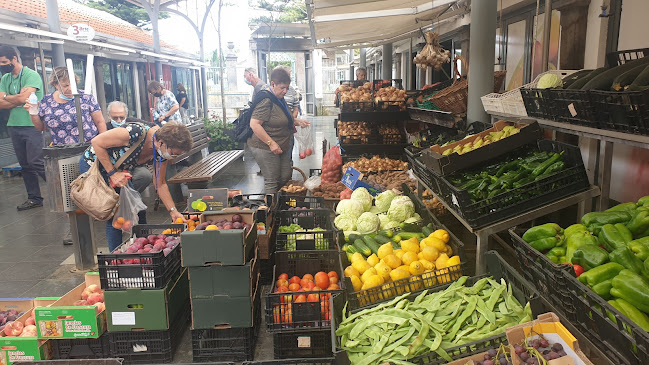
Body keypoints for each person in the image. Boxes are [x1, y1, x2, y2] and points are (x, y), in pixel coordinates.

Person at [79, 120, 193, 252]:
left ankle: (143, 249)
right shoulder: (135, 132)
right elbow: (97, 142)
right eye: (173, 153)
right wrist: (113, 174)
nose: (173, 157)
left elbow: (160, 183)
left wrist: (173, 211)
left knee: (139, 210)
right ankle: (115, 258)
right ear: (161, 142)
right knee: (117, 215)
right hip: (96, 165)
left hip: (119, 171)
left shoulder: (161, 153)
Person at [247, 67, 310, 194]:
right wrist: (271, 143)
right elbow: (254, 124)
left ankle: (280, 205)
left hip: (282, 145)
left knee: (285, 176)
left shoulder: (279, 98)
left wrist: (297, 122)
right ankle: (271, 210)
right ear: (272, 84)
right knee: (272, 180)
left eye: (287, 88)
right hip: (264, 147)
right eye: (282, 88)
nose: (285, 91)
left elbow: (283, 118)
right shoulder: (266, 100)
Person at [0, 45, 46, 211]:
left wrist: (9, 98)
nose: (2, 65)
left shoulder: (30, 75)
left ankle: (63, 192)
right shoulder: (5, 78)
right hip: (14, 125)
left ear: (14, 59)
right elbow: (2, 101)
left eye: (4, 62)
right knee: (25, 164)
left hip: (32, 124)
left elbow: (25, 98)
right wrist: (17, 98)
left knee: (37, 162)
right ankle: (34, 198)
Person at [25, 67, 106, 144]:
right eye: (65, 86)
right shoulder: (47, 100)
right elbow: (41, 127)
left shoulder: (85, 97)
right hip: (60, 150)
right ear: (55, 84)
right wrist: (33, 112)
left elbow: (100, 122)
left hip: (88, 146)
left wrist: (103, 142)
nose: (70, 88)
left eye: (73, 84)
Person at [105, 101, 153, 195]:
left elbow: (153, 127)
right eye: (115, 118)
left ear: (126, 116)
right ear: (108, 116)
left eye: (121, 117)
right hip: (112, 167)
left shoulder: (133, 123)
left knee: (145, 176)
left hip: (133, 164)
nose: (119, 121)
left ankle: (130, 198)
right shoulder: (105, 128)